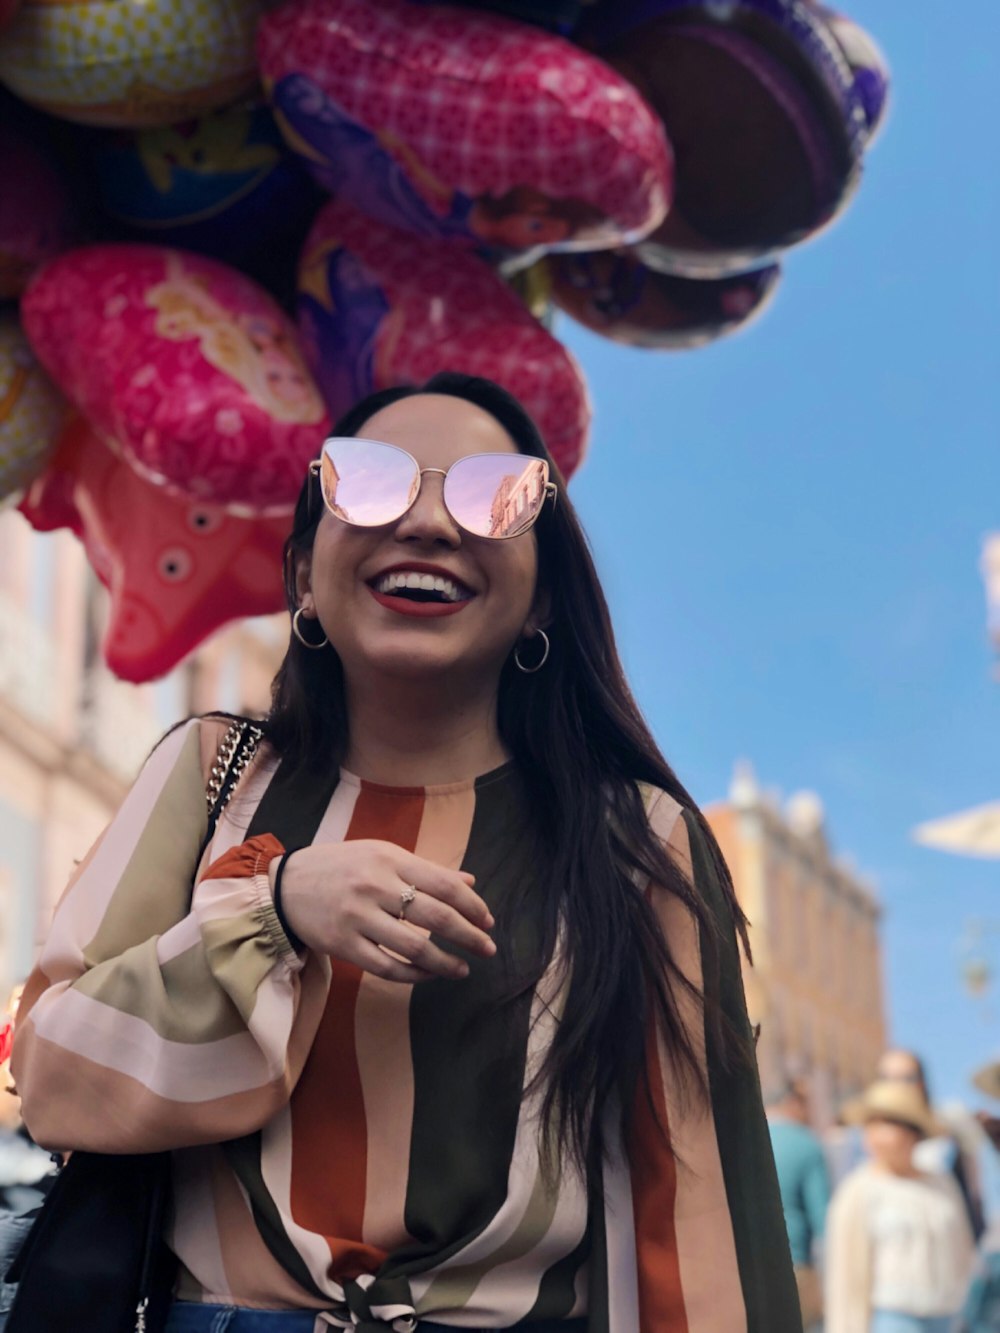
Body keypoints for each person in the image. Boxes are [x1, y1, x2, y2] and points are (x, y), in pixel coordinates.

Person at [10, 373, 802, 1331]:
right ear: (303, 572)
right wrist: (276, 906)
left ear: (544, 592)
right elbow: (53, 1080)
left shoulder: (637, 841)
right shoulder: (211, 771)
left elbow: (698, 1216)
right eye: (371, 482)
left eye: (489, 494)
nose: (428, 522)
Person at [826, 1079, 977, 1333]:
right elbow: (844, 1276)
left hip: (948, 1316)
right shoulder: (858, 1190)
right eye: (871, 1125)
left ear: (912, 1133)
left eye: (885, 1124)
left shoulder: (942, 1184)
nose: (873, 1135)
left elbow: (964, 1253)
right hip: (894, 1318)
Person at [876, 1048, 986, 1240]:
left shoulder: (949, 1129)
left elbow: (972, 1193)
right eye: (888, 1079)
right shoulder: (869, 1142)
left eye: (906, 1079)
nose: (897, 1087)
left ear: (922, 1082)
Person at [765, 1077, 830, 1332]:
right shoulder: (806, 1143)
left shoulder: (737, 1138)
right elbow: (823, 1218)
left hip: (739, 1266)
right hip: (794, 1264)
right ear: (792, 1102)